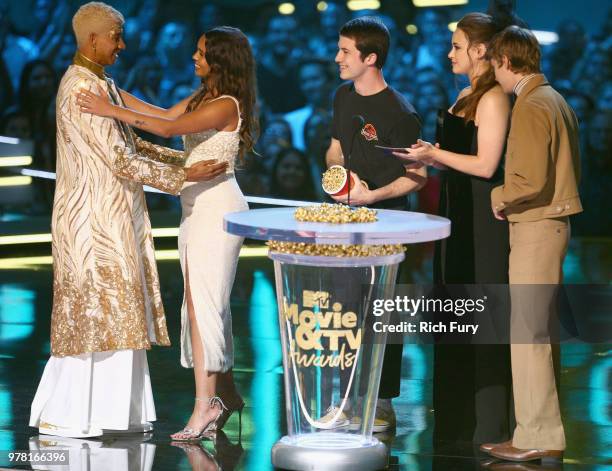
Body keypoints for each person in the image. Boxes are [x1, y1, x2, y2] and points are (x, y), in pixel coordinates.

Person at [28, 1, 223, 438]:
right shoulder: (81, 89)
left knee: (118, 308)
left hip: (111, 214)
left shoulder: (102, 84)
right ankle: (76, 415)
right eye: (116, 37)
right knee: (98, 310)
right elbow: (121, 159)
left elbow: (134, 140)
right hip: (91, 221)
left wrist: (185, 158)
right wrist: (184, 173)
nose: (123, 45)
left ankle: (114, 414)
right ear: (92, 39)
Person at [79, 25, 258, 441]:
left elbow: (165, 131)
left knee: (202, 307)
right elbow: (163, 115)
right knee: (204, 306)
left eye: (200, 53)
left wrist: (109, 110)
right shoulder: (203, 97)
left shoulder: (226, 104)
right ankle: (226, 394)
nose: (193, 58)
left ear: (220, 60)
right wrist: (113, 94)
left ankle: (205, 407)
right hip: (195, 209)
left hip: (218, 209)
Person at [393, 11, 514, 446]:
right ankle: (456, 420)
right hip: (455, 214)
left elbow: (486, 164)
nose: (450, 53)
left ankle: (488, 424)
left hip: (482, 219)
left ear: (480, 51)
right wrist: (426, 155)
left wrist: (435, 156)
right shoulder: (466, 94)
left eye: (458, 45)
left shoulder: (494, 98)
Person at [480, 26, 582, 463]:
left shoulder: (532, 104)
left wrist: (497, 196)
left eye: (493, 64)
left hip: (537, 228)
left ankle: (535, 435)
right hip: (548, 227)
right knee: (535, 335)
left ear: (504, 60)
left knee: (529, 337)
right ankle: (538, 432)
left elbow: (530, 180)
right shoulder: (554, 99)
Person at [325, 16, 425, 432]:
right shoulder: (343, 96)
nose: (337, 58)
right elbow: (335, 150)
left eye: (346, 51)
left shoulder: (401, 113)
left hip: (389, 223)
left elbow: (416, 177)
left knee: (384, 313)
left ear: (371, 58)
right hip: (346, 220)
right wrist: (339, 177)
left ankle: (382, 403)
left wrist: (371, 194)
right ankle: (344, 398)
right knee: (342, 309)